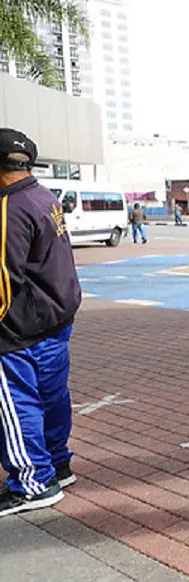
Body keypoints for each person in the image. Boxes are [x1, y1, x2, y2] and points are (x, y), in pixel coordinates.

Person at [0, 129, 83, 517]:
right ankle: (57, 463)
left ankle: (33, 482)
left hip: (16, 329)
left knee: (18, 404)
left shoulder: (9, 208)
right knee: (52, 397)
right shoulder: (42, 196)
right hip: (55, 318)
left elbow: (3, 280)